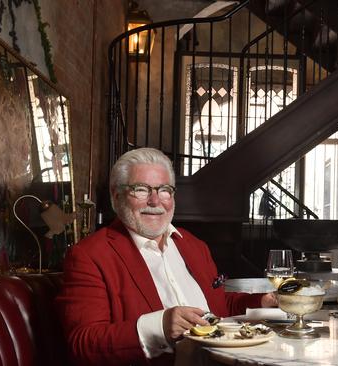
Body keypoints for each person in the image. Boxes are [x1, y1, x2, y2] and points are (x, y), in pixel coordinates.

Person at [57, 148, 277, 365]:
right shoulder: (90, 255)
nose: (155, 201)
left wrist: (262, 303)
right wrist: (159, 328)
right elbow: (83, 344)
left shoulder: (193, 245)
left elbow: (216, 307)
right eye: (141, 189)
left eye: (164, 190)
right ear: (117, 196)